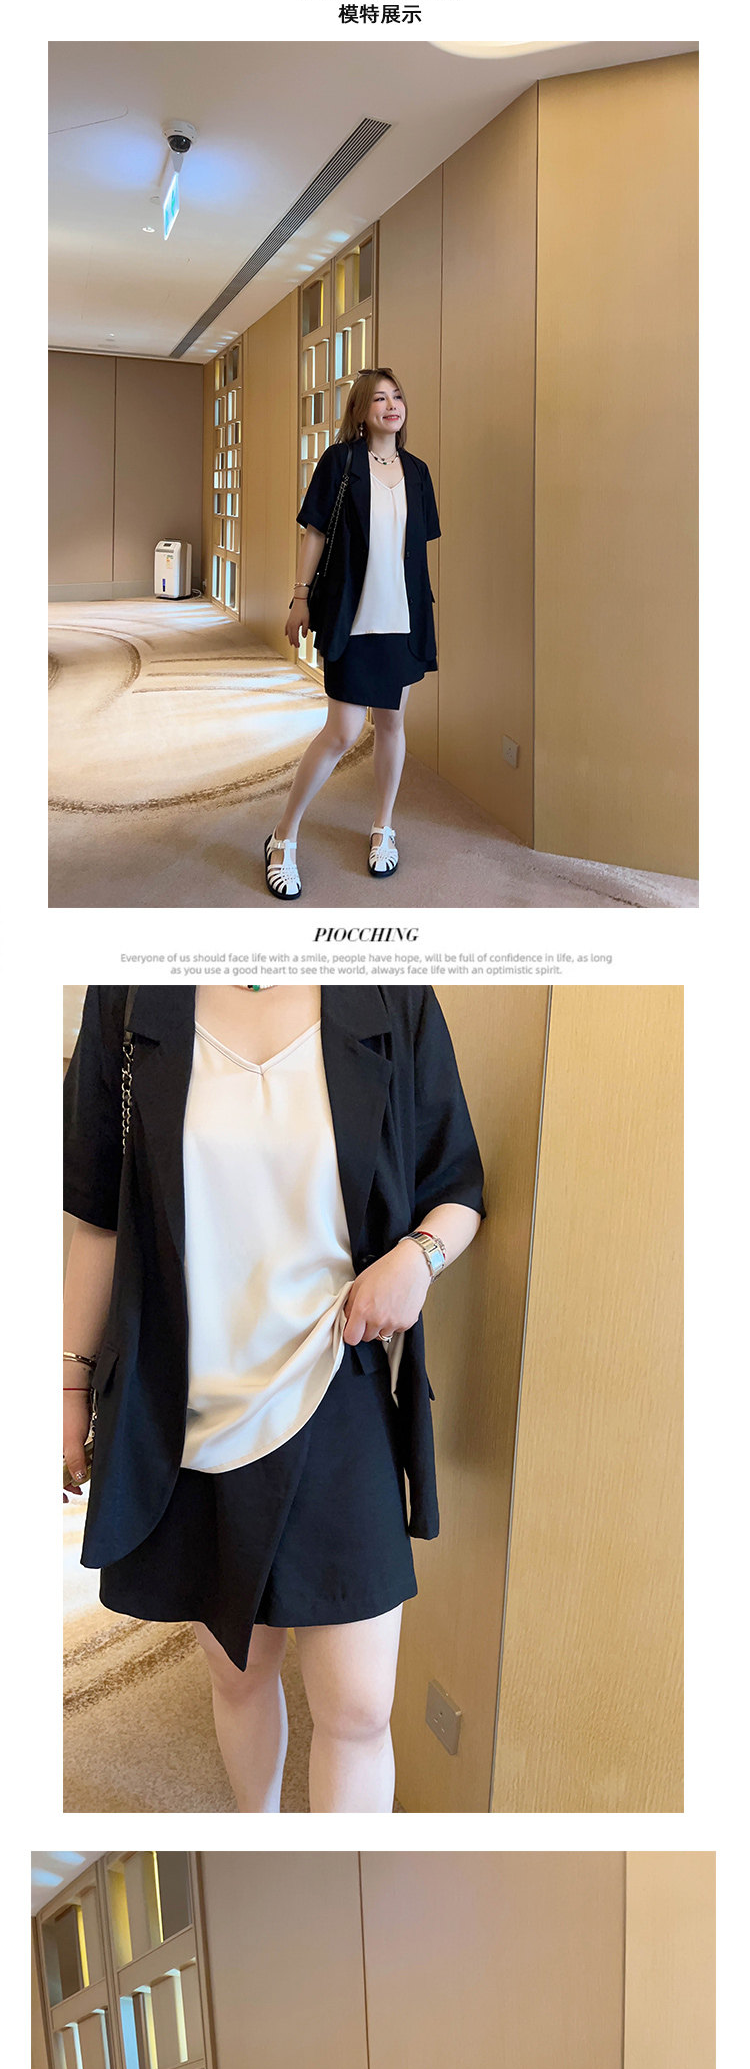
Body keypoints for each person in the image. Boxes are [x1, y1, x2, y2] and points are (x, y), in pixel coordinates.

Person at [62, 981, 482, 1820]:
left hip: (340, 1380)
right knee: (239, 1676)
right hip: (186, 1409)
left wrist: (420, 1257)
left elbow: (458, 1188)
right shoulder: (128, 995)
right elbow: (97, 1218)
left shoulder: (392, 995)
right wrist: (68, 1383)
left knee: (360, 1708)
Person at [265, 369, 439, 897]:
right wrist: (300, 597)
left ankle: (383, 828)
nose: (392, 405)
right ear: (362, 410)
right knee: (341, 733)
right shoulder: (340, 462)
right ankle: (282, 836)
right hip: (352, 618)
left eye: (397, 396)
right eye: (379, 398)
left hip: (402, 621)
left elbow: (415, 551)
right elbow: (315, 532)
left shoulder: (417, 471)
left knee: (392, 725)